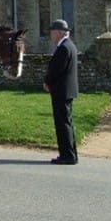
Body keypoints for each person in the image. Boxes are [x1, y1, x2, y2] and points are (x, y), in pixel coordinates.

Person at [43, 19, 79, 165]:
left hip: (61, 91)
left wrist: (47, 81)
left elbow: (57, 69)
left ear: (59, 32)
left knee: (62, 123)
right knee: (67, 122)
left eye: (52, 31)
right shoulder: (69, 45)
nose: (51, 34)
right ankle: (71, 153)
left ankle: (67, 155)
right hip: (67, 91)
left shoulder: (64, 47)